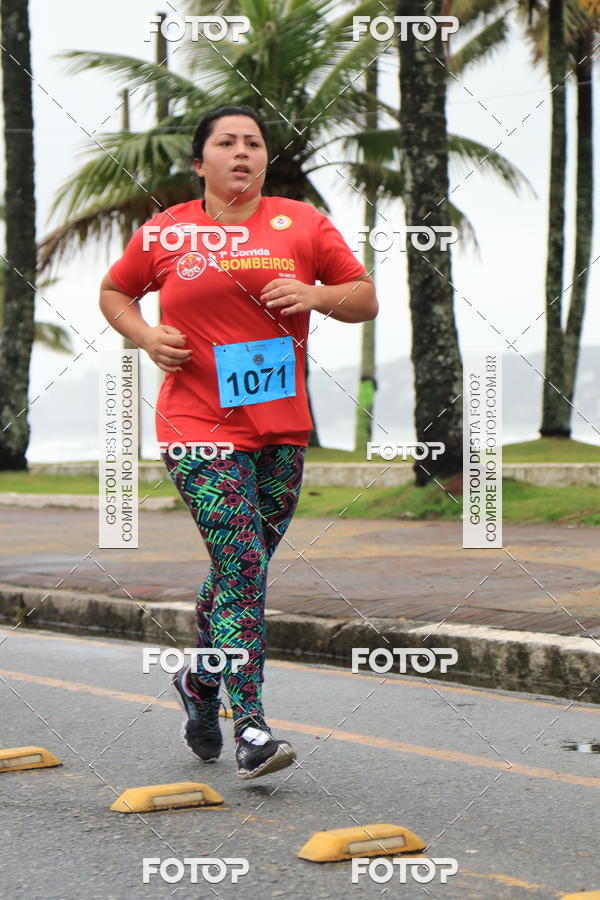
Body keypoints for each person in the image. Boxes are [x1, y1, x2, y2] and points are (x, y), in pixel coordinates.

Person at [99, 105, 378, 780]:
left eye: (254, 142)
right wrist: (145, 337)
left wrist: (316, 296)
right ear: (201, 163)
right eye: (226, 143)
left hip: (280, 428)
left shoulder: (303, 224)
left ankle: (199, 682)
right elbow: (114, 291)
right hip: (195, 426)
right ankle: (250, 724)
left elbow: (364, 296)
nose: (243, 152)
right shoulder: (167, 232)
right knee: (245, 567)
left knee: (237, 569)